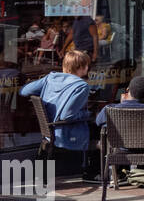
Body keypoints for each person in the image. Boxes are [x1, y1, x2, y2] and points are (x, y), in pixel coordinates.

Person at [21, 50, 97, 179]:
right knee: (100, 129)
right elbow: (67, 116)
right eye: (87, 65)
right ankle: (93, 173)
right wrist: (88, 114)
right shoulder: (81, 87)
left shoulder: (50, 78)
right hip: (65, 132)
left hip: (48, 130)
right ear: (82, 67)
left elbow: (24, 91)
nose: (88, 68)